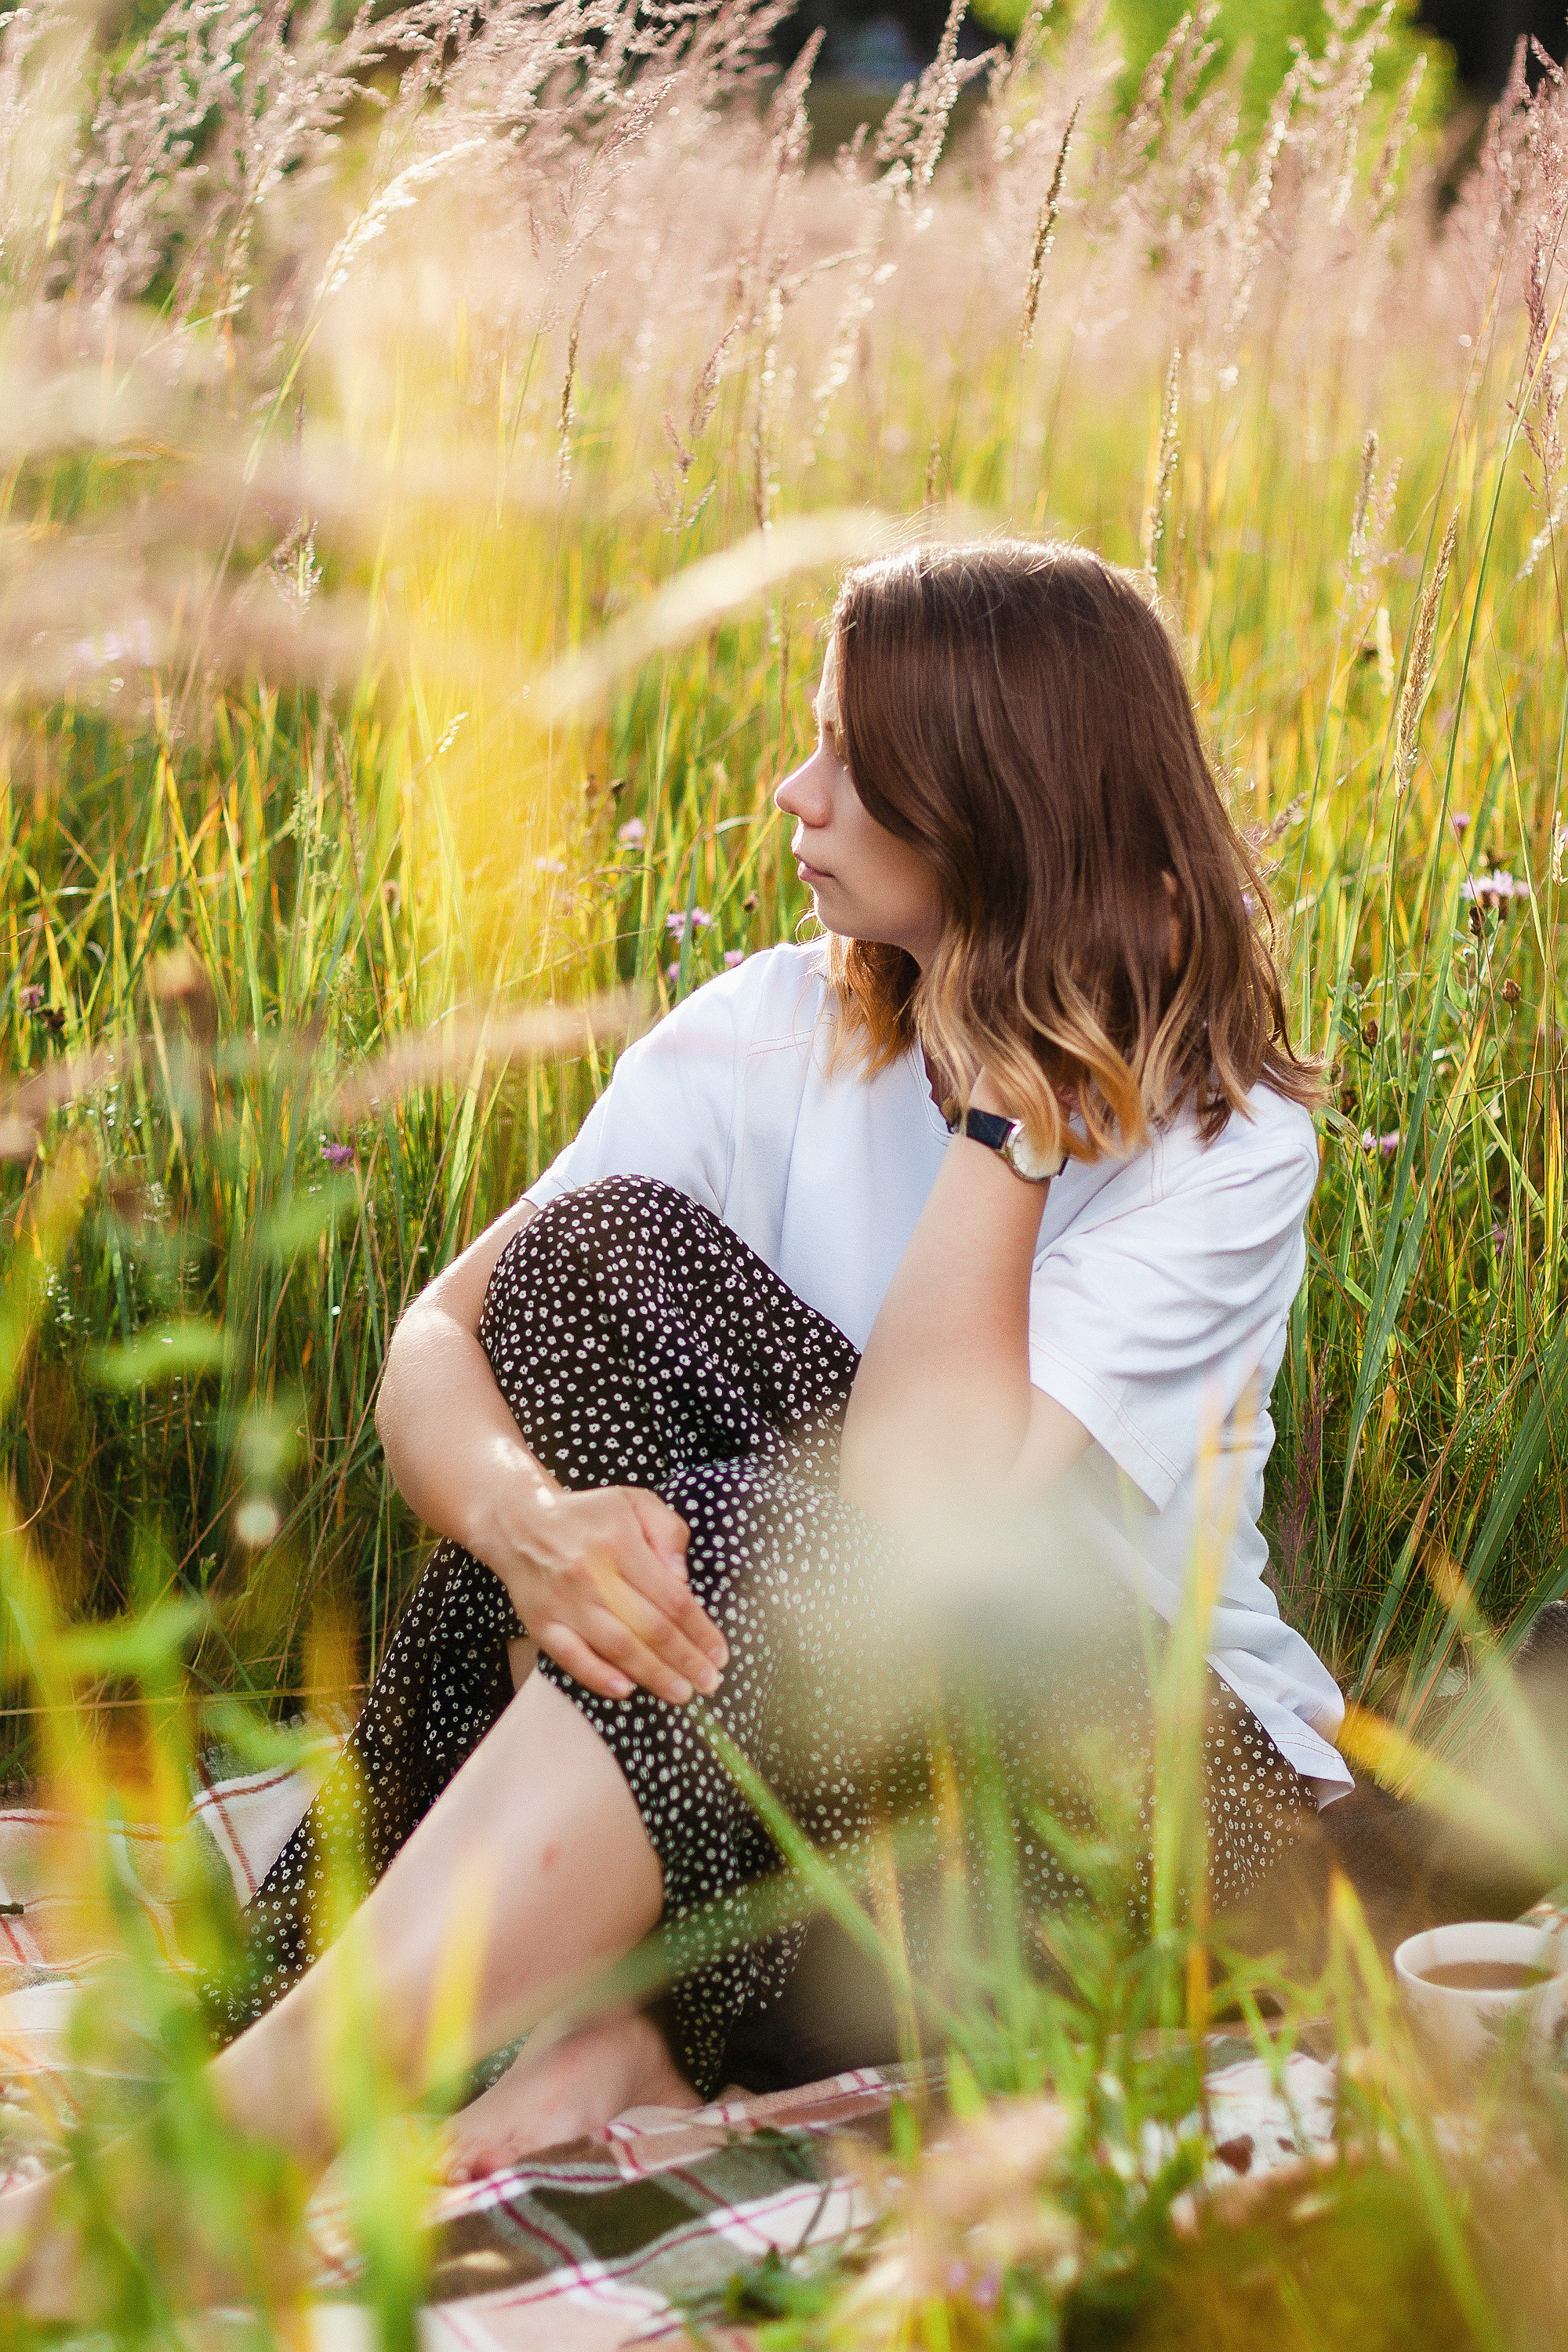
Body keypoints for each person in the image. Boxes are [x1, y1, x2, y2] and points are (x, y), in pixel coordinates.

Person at [9, 539, 1354, 2280]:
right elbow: (438, 1339)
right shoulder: (773, 1026)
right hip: (806, 1814)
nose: (796, 792)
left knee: (790, 1533)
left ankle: (235, 2159)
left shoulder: (1225, 1146)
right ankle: (624, 2017)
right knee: (595, 1264)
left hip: (1146, 1831)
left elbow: (919, 1514)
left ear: (999, 811)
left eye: (854, 760)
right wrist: (530, 1529)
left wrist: (1013, 1111)